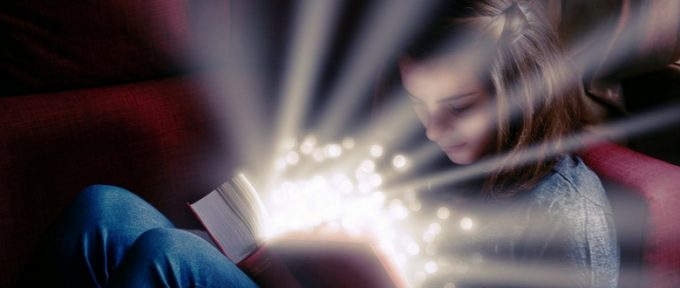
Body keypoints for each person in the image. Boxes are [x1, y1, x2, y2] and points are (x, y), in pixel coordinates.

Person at [391, 0, 619, 287]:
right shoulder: (427, 171)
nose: (433, 132)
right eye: (417, 103)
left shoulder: (563, 216)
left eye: (460, 107)